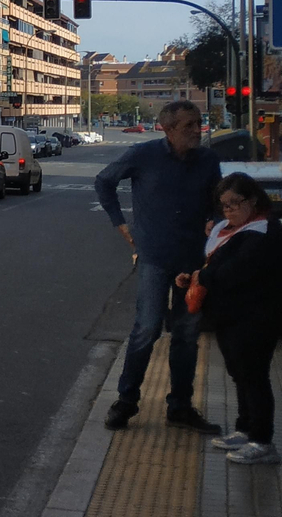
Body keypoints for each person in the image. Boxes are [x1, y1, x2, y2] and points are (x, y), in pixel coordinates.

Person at [96, 99, 223, 432]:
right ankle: (126, 402)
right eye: (189, 126)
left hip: (194, 259)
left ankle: (180, 407)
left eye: (199, 123)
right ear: (167, 129)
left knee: (186, 334)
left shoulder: (208, 160)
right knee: (147, 329)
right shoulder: (143, 155)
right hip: (154, 256)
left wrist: (215, 221)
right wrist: (120, 224)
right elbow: (104, 181)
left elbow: (217, 202)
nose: (198, 130)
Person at [180, 173, 282, 464]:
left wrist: (204, 276)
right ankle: (244, 428)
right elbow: (212, 265)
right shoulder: (226, 229)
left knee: (254, 377)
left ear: (253, 200)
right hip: (229, 317)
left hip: (256, 317)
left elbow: (235, 271)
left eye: (235, 204)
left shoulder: (263, 232)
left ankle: (262, 441)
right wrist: (194, 276)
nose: (228, 211)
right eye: (224, 205)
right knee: (239, 374)